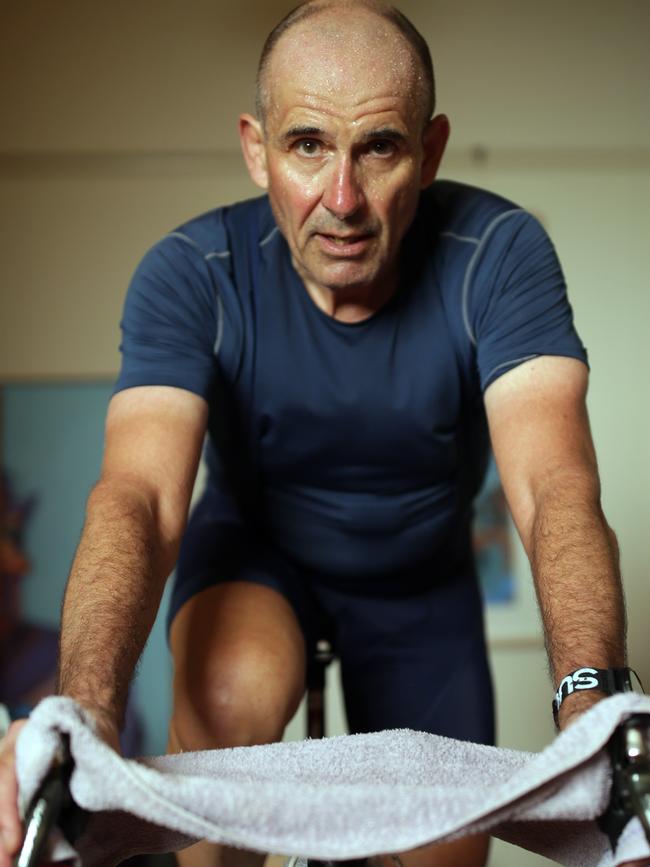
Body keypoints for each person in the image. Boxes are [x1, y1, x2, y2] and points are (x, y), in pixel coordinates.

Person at [0, 2, 641, 867]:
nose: (342, 201)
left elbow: (554, 486)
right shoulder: (192, 273)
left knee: (444, 850)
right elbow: (142, 500)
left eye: (379, 148)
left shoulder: (498, 253)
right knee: (233, 697)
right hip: (254, 555)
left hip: (422, 580)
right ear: (257, 149)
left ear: (431, 150)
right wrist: (80, 720)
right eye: (308, 145)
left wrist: (597, 714)